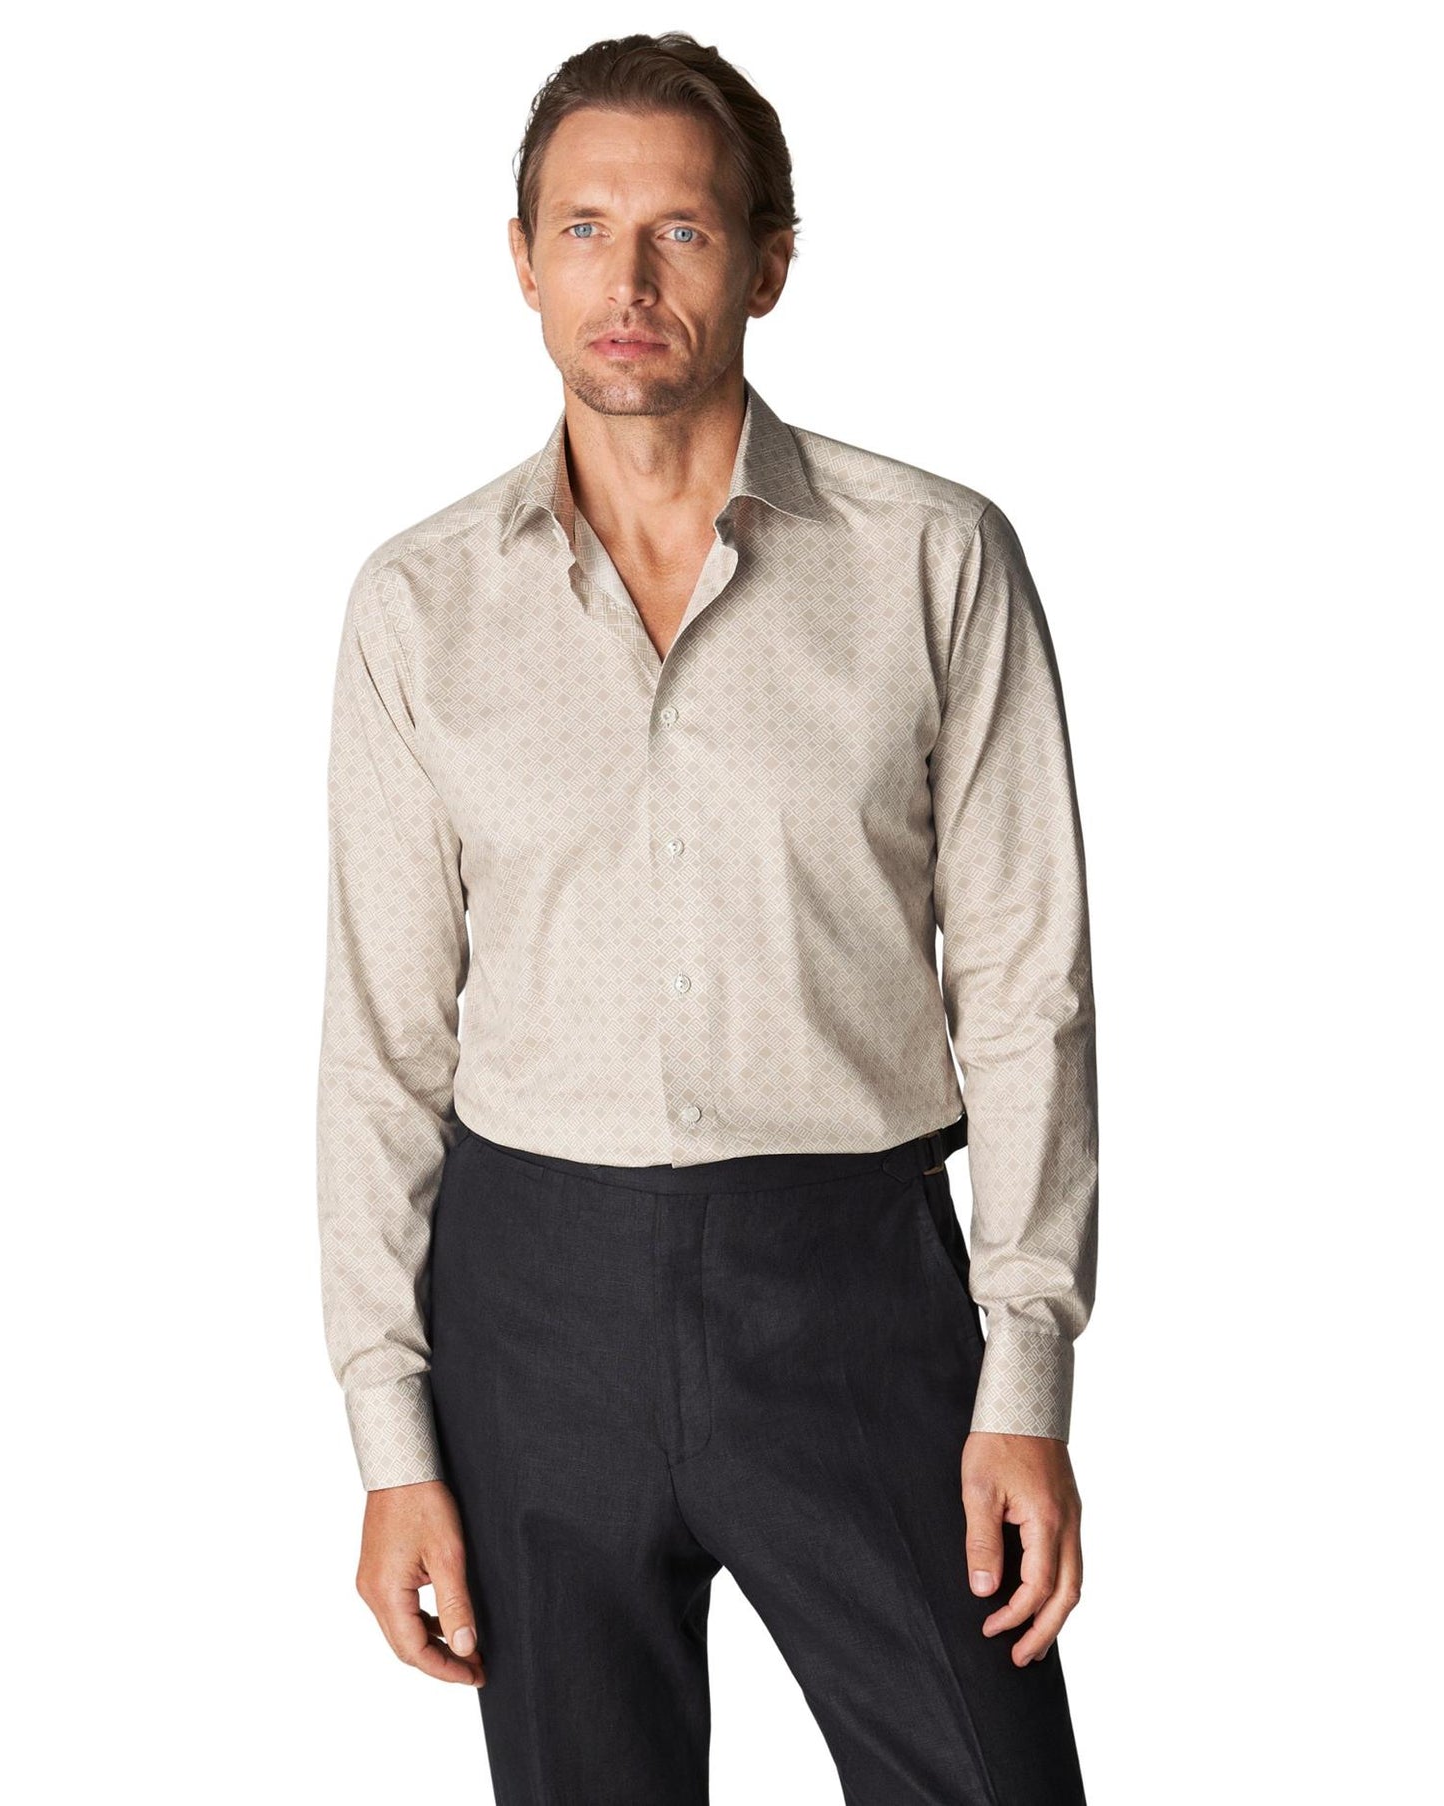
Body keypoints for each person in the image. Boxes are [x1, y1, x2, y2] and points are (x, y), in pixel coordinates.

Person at [316, 30, 1098, 1806]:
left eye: (679, 230)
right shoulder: (417, 607)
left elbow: (1025, 985)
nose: (628, 281)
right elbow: (380, 1043)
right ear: (521, 260)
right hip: (532, 1306)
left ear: (766, 261)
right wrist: (388, 1433)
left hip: (856, 1292)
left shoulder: (931, 558)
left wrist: (1024, 1375)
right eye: (583, 229)